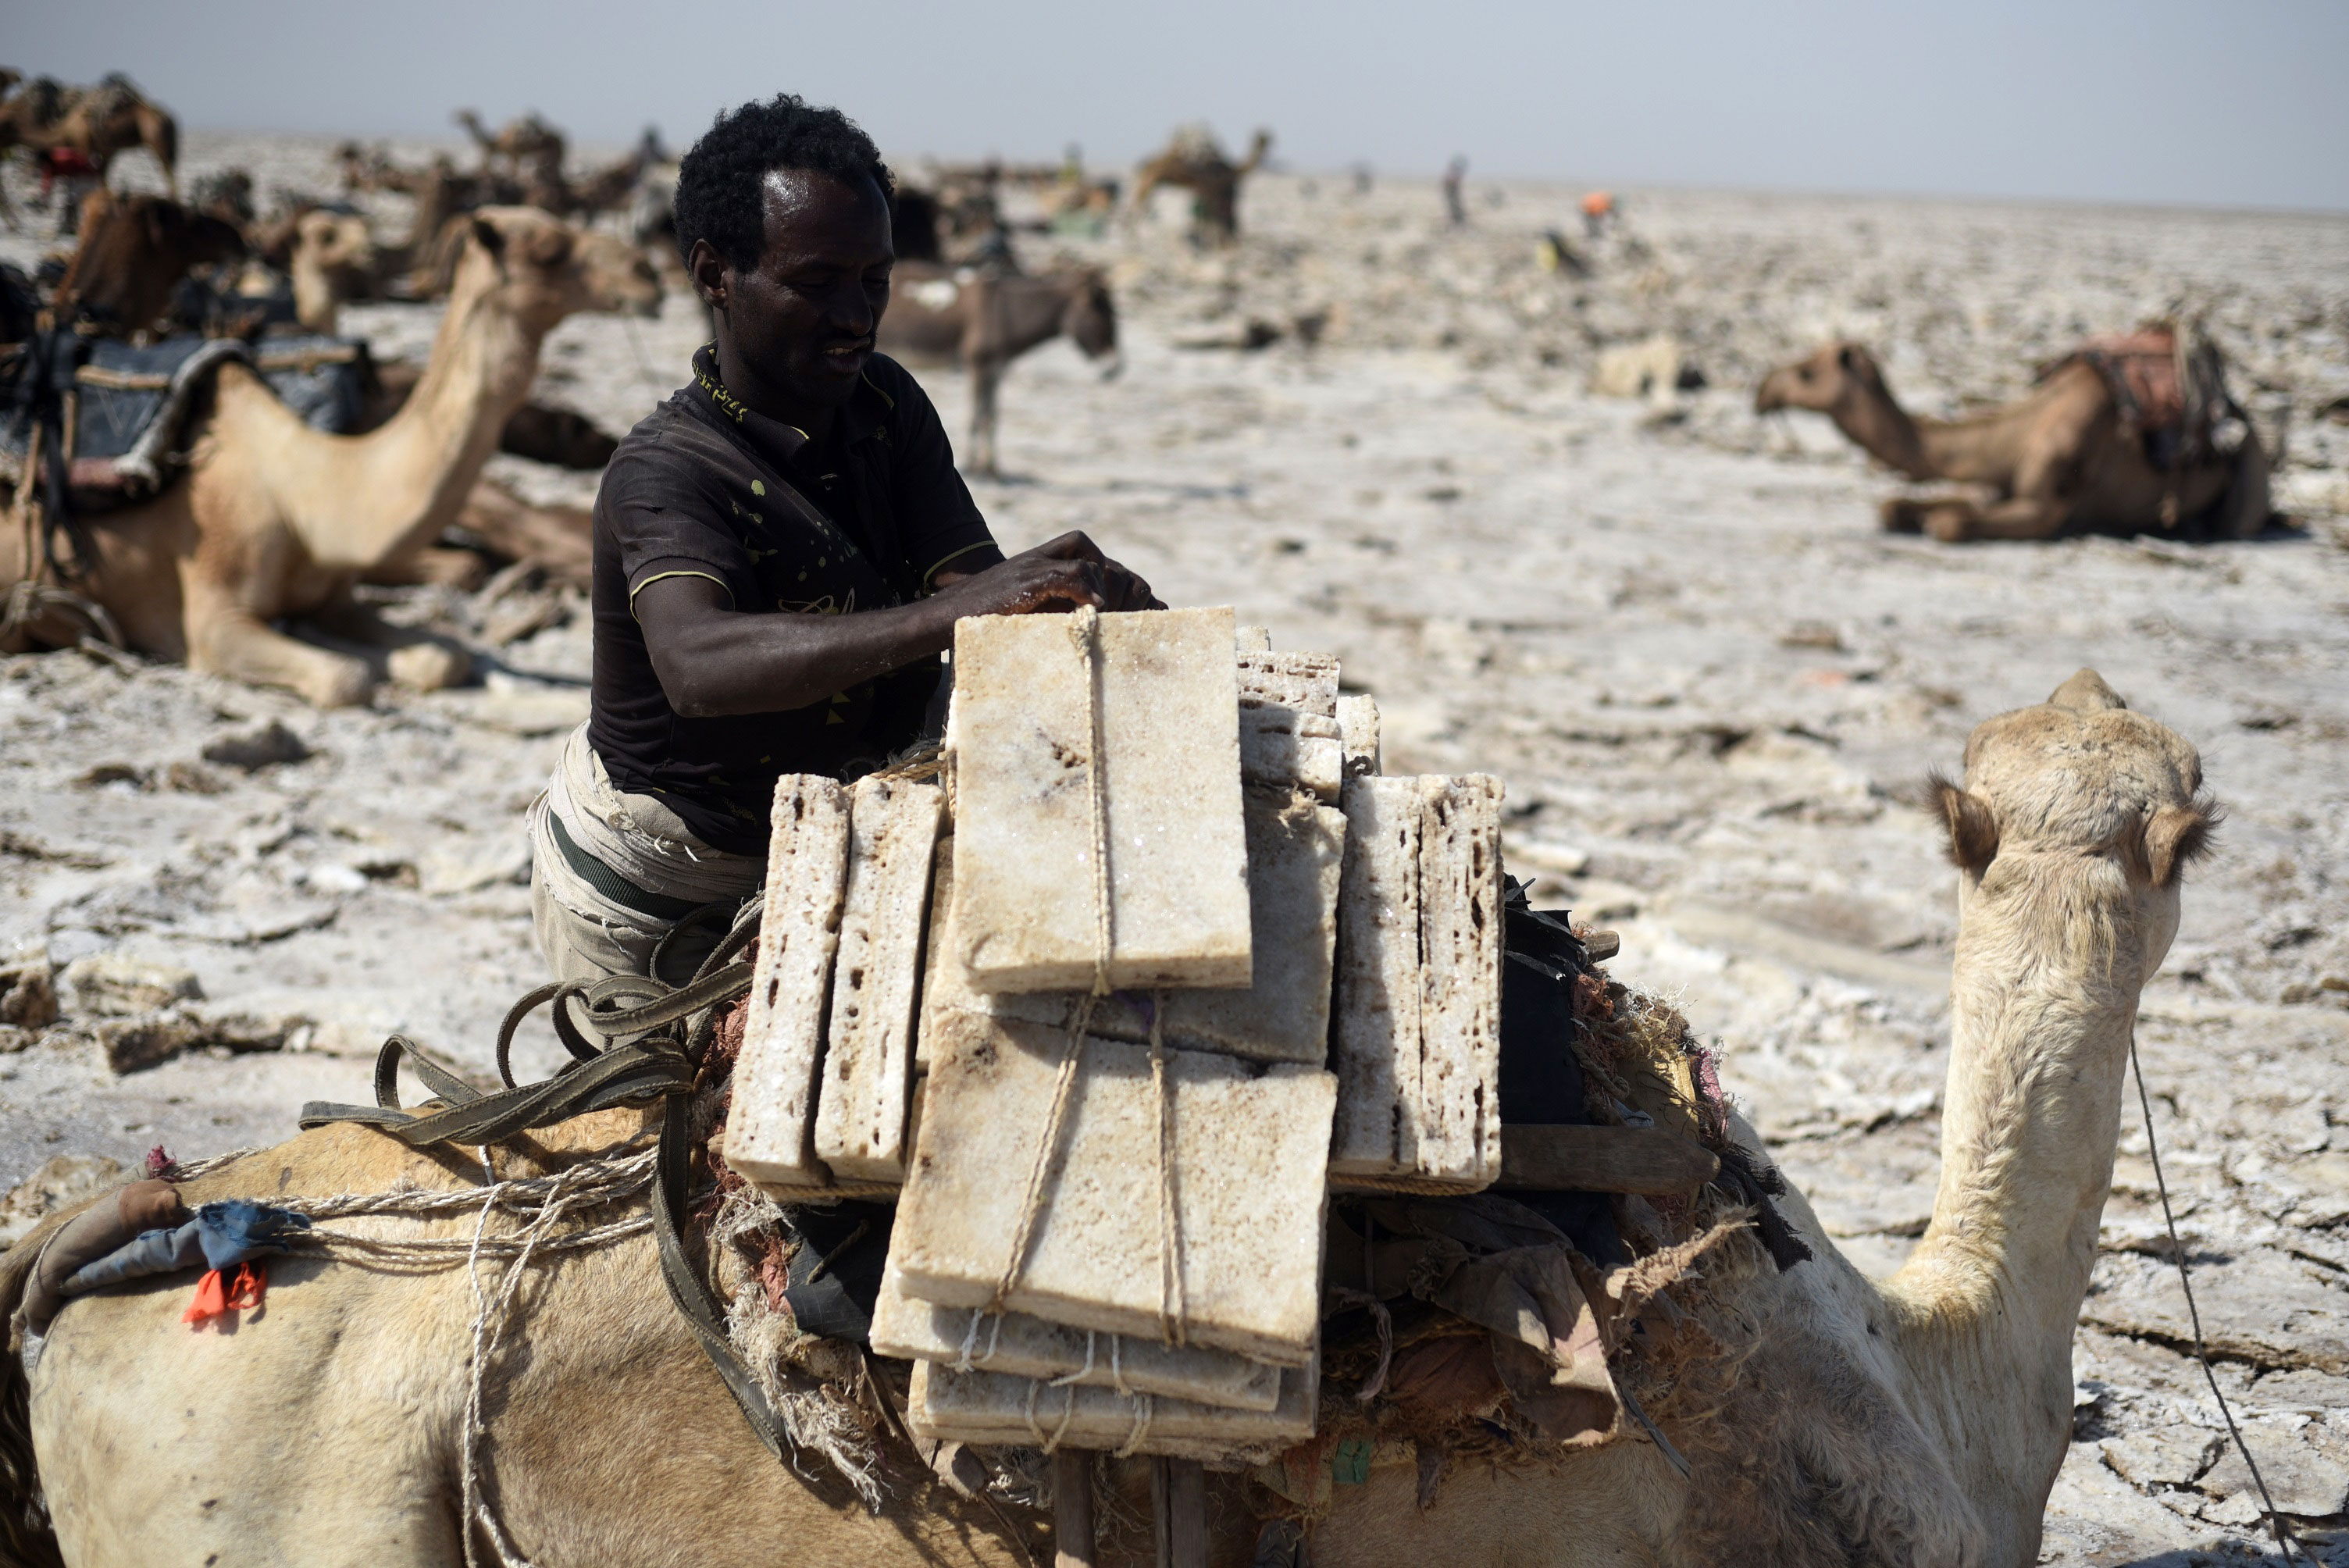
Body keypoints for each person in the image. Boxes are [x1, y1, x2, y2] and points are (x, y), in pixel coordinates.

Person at [530, 94, 1159, 982]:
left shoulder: (884, 403)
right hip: (674, 893)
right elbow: (699, 665)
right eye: (816, 282)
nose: (857, 316)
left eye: (874, 280)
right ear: (715, 274)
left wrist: (1068, 607)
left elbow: (967, 585)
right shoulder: (667, 471)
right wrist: (962, 613)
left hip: (838, 841)